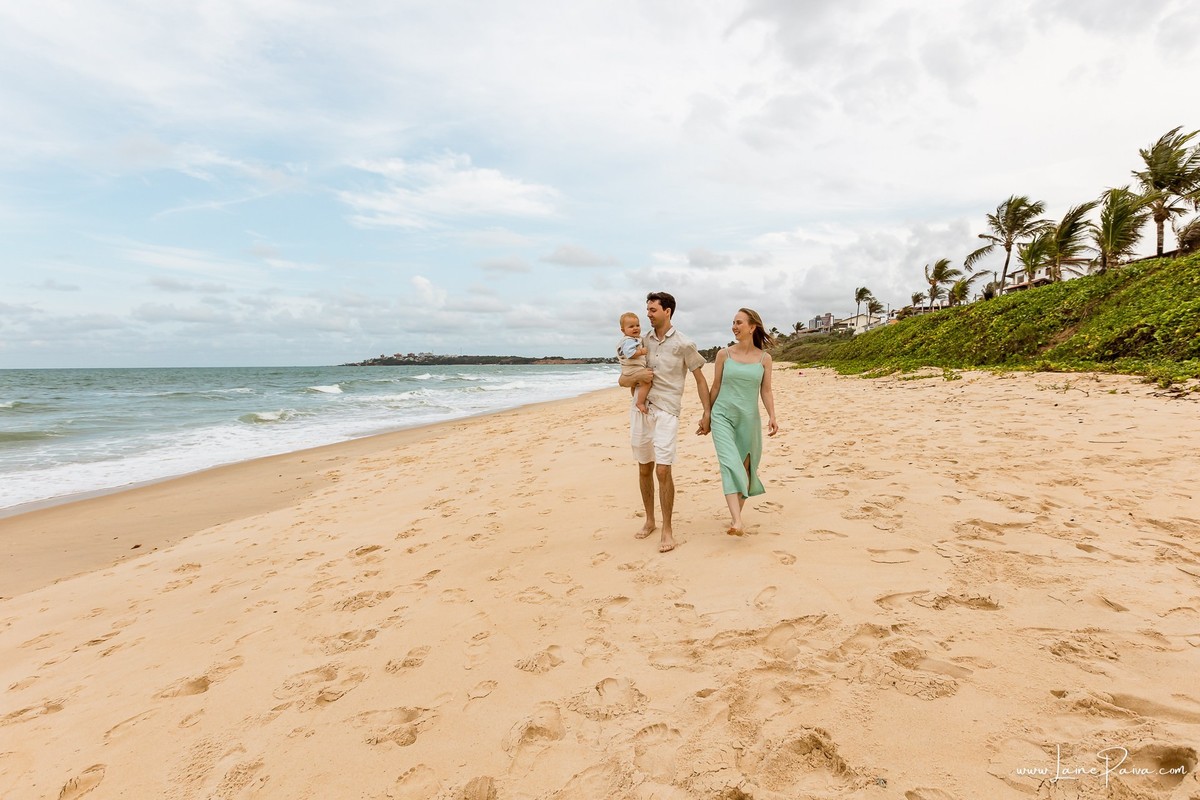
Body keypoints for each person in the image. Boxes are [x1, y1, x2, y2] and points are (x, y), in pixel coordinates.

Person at [618, 292, 711, 553]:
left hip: (668, 410)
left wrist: (707, 413)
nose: (647, 314)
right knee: (644, 467)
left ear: (667, 311)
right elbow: (623, 379)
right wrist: (633, 380)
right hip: (640, 409)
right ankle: (650, 520)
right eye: (647, 309)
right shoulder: (638, 341)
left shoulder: (684, 343)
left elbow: (700, 380)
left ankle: (667, 529)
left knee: (663, 470)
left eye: (652, 309)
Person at [703, 308, 779, 536]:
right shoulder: (723, 354)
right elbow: (715, 386)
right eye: (733, 322)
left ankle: (737, 516)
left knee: (746, 468)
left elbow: (766, 391)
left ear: (752, 326)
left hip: (749, 419)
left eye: (739, 322)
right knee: (730, 464)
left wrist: (772, 415)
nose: (734, 327)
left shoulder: (765, 359)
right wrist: (706, 414)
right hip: (722, 416)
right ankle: (737, 521)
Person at [616, 312, 653, 414]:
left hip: (628, 370)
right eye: (631, 326)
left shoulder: (629, 340)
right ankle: (640, 402)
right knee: (646, 383)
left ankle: (636, 398)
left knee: (635, 386)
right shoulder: (629, 341)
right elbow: (629, 353)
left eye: (637, 325)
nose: (635, 328)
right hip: (633, 369)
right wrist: (641, 351)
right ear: (623, 330)